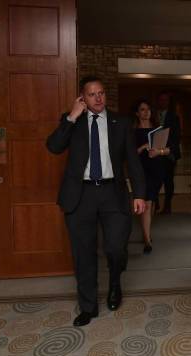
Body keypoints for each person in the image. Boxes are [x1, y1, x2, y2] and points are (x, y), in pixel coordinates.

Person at [46, 76, 146, 327]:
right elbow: (54, 147)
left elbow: (133, 162)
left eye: (101, 93)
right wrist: (71, 116)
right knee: (84, 254)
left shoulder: (120, 122)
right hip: (81, 195)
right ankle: (88, 307)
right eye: (92, 94)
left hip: (113, 193)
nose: (98, 98)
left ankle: (114, 284)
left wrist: (140, 194)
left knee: (115, 248)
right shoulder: (72, 121)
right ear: (82, 98)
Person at [132, 99, 164, 254]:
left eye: (148, 109)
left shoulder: (158, 130)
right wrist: (143, 147)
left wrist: (159, 151)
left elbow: (168, 149)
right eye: (143, 109)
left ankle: (146, 233)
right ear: (137, 113)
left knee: (150, 203)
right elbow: (129, 155)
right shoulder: (132, 131)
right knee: (147, 203)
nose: (146, 112)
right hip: (140, 170)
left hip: (155, 169)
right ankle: (147, 241)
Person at [155, 92, 181, 214]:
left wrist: (169, 150)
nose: (163, 102)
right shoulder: (153, 116)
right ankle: (155, 203)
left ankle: (167, 206)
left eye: (165, 100)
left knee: (168, 181)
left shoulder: (174, 117)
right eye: (161, 100)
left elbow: (176, 137)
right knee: (155, 179)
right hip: (154, 154)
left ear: (168, 102)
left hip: (168, 154)